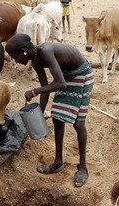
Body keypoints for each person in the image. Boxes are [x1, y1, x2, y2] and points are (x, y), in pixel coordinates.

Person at [6, 33, 94, 187]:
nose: (15, 61)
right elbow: (46, 88)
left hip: (82, 74)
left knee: (79, 124)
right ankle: (58, 162)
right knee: (57, 118)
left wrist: (34, 92)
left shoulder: (46, 50)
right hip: (66, 76)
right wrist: (38, 112)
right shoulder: (34, 61)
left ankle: (83, 168)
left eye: (15, 57)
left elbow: (60, 84)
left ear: (23, 52)